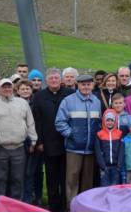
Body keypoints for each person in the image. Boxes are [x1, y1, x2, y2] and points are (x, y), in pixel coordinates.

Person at [55, 74, 101, 209]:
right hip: (74, 148)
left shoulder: (96, 101)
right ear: (78, 85)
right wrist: (71, 134)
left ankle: (85, 208)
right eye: (83, 84)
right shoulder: (68, 101)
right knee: (71, 181)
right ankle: (72, 208)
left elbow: (98, 123)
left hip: (91, 148)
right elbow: (60, 122)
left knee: (88, 181)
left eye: (88, 84)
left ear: (92, 85)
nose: (86, 87)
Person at [32, 68, 74, 211]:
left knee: (65, 177)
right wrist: (40, 142)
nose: (54, 80)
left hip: (67, 143)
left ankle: (65, 206)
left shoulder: (69, 94)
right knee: (51, 178)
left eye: (56, 78)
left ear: (60, 80)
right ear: (47, 80)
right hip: (48, 143)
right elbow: (36, 121)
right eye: (51, 78)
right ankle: (53, 206)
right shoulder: (39, 97)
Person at [0, 78, 37, 200]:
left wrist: (33, 140)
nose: (7, 89)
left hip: (19, 147)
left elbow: (30, 122)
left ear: (13, 88)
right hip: (0, 148)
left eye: (9, 87)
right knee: (0, 178)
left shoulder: (22, 103)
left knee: (18, 179)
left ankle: (15, 206)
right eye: (4, 87)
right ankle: (0, 206)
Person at [15, 81, 44, 206]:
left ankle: (35, 197)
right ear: (18, 90)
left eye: (27, 88)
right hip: (19, 142)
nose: (25, 90)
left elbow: (39, 123)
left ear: (31, 90)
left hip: (34, 141)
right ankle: (22, 198)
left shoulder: (36, 103)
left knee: (33, 171)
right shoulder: (14, 104)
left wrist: (36, 142)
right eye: (23, 89)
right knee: (20, 172)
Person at [95, 110, 124, 187]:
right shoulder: (99, 134)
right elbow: (98, 152)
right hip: (104, 168)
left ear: (115, 121)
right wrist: (102, 166)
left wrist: (119, 166)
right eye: (108, 120)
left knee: (115, 188)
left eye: (112, 120)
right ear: (104, 121)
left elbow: (121, 151)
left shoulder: (119, 134)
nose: (110, 122)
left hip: (116, 167)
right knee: (104, 188)